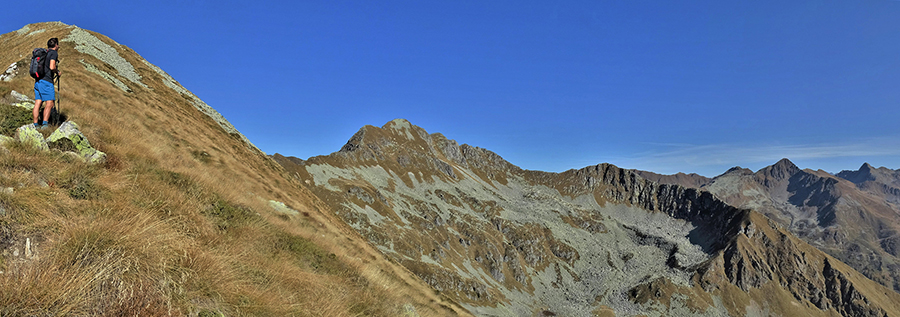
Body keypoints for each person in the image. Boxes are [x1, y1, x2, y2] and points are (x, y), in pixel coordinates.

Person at [33, 37, 60, 129]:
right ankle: (45, 125)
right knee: (50, 103)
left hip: (38, 81)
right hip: (46, 81)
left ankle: (35, 125)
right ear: (55, 45)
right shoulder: (53, 53)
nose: (58, 46)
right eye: (58, 45)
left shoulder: (45, 53)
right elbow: (52, 67)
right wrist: (57, 72)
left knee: (38, 103)